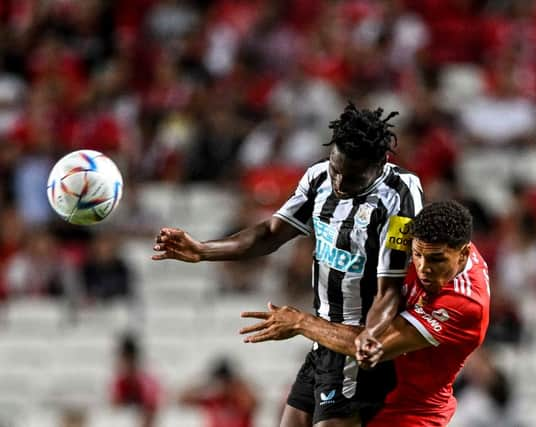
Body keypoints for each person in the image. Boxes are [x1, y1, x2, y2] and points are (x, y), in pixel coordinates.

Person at [152, 102, 424, 426]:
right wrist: (203, 250)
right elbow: (270, 233)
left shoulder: (400, 194)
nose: (338, 183)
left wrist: (370, 336)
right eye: (335, 169)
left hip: (356, 340)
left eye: (350, 177)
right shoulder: (319, 177)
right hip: (322, 338)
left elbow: (389, 289)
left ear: (380, 163)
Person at [240, 201, 490, 427]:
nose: (424, 268)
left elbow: (372, 345)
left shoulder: (465, 302)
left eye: (436, 260)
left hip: (410, 411)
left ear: (464, 254)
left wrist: (300, 322)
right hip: (368, 384)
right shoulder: (418, 231)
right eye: (417, 255)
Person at [179, 357, 257, 427]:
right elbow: (183, 399)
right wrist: (204, 381)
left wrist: (235, 384)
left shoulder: (240, 400)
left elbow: (251, 403)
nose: (223, 384)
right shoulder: (214, 400)